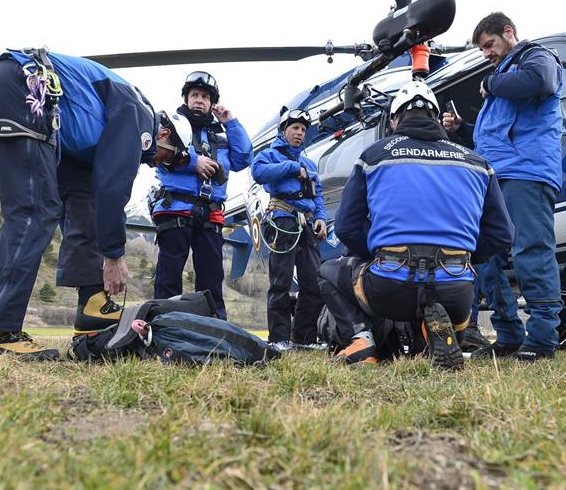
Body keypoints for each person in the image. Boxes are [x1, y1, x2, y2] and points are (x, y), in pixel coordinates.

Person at [0, 47, 178, 360]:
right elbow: (113, 185)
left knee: (69, 206)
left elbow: (85, 202)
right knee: (34, 212)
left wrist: (96, 285)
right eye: (168, 156)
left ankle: (93, 305)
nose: (157, 165)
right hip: (25, 87)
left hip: (19, 93)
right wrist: (114, 255)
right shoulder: (138, 112)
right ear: (163, 133)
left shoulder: (87, 133)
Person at [318, 80, 513, 368]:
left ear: (395, 120)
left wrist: (376, 254)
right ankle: (435, 334)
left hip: (390, 285)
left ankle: (360, 341)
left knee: (327, 271)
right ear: (436, 118)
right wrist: (468, 256)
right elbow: (503, 234)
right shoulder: (477, 162)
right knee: (442, 305)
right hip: (456, 289)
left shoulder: (373, 156)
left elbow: (346, 226)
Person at [443, 12, 564, 361]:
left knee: (531, 249)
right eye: (482, 49)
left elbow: (540, 82)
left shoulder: (536, 57)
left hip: (527, 172)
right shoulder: (504, 79)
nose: (485, 54)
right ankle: (509, 332)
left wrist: (492, 84)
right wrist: (462, 128)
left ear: (508, 33)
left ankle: (542, 338)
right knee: (486, 253)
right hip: (496, 177)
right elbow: (489, 139)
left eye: (489, 45)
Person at [149, 71, 253, 319]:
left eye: (205, 97)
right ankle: (164, 326)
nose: (199, 100)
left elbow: (243, 158)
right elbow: (154, 152)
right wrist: (193, 162)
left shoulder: (221, 139)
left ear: (212, 103)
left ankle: (213, 328)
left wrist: (231, 123)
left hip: (211, 213)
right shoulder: (167, 129)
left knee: (211, 277)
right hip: (175, 208)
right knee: (169, 274)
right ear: (186, 99)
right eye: (194, 95)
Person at [251, 108, 327, 350]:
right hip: (282, 221)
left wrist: (321, 219)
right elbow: (258, 173)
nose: (300, 133)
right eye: (295, 128)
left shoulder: (310, 163)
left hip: (307, 225)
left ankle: (304, 340)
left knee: (313, 284)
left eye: (303, 130)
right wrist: (291, 168)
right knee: (280, 282)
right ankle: (278, 339)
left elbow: (319, 196)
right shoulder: (269, 155)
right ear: (284, 131)